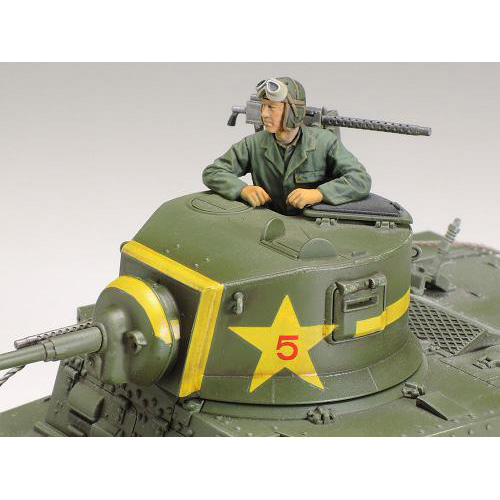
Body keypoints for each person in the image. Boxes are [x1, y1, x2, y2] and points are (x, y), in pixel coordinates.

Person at [202, 77, 371, 215]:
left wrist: (319, 194)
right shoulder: (252, 144)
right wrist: (243, 190)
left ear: (293, 111)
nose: (263, 114)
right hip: (268, 226)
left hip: (311, 227)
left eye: (271, 107)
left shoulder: (324, 142)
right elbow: (213, 172)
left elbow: (360, 179)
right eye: (262, 106)